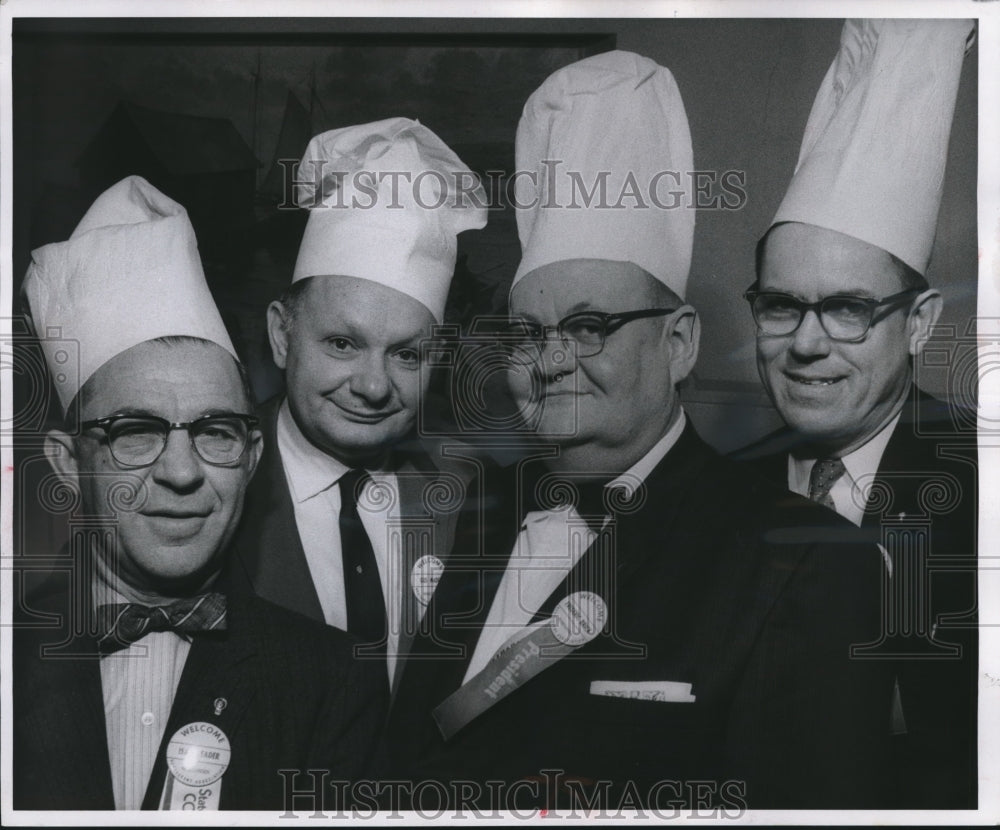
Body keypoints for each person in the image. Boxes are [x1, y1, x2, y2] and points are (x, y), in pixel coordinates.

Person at [385, 50, 893, 811]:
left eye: (590, 325)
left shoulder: (809, 563)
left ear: (680, 343)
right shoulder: (473, 509)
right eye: (528, 332)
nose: (552, 361)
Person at [13, 176, 387, 811]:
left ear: (251, 458)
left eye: (216, 431)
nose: (182, 473)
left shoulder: (329, 681)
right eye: (135, 432)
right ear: (68, 465)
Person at [734, 19, 978, 809]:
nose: (806, 344)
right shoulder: (717, 486)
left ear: (918, 322)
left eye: (847, 310)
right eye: (780, 305)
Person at [225, 119, 488, 690]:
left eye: (407, 355)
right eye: (343, 343)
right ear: (281, 334)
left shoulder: (471, 493)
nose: (373, 387)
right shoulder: (213, 488)